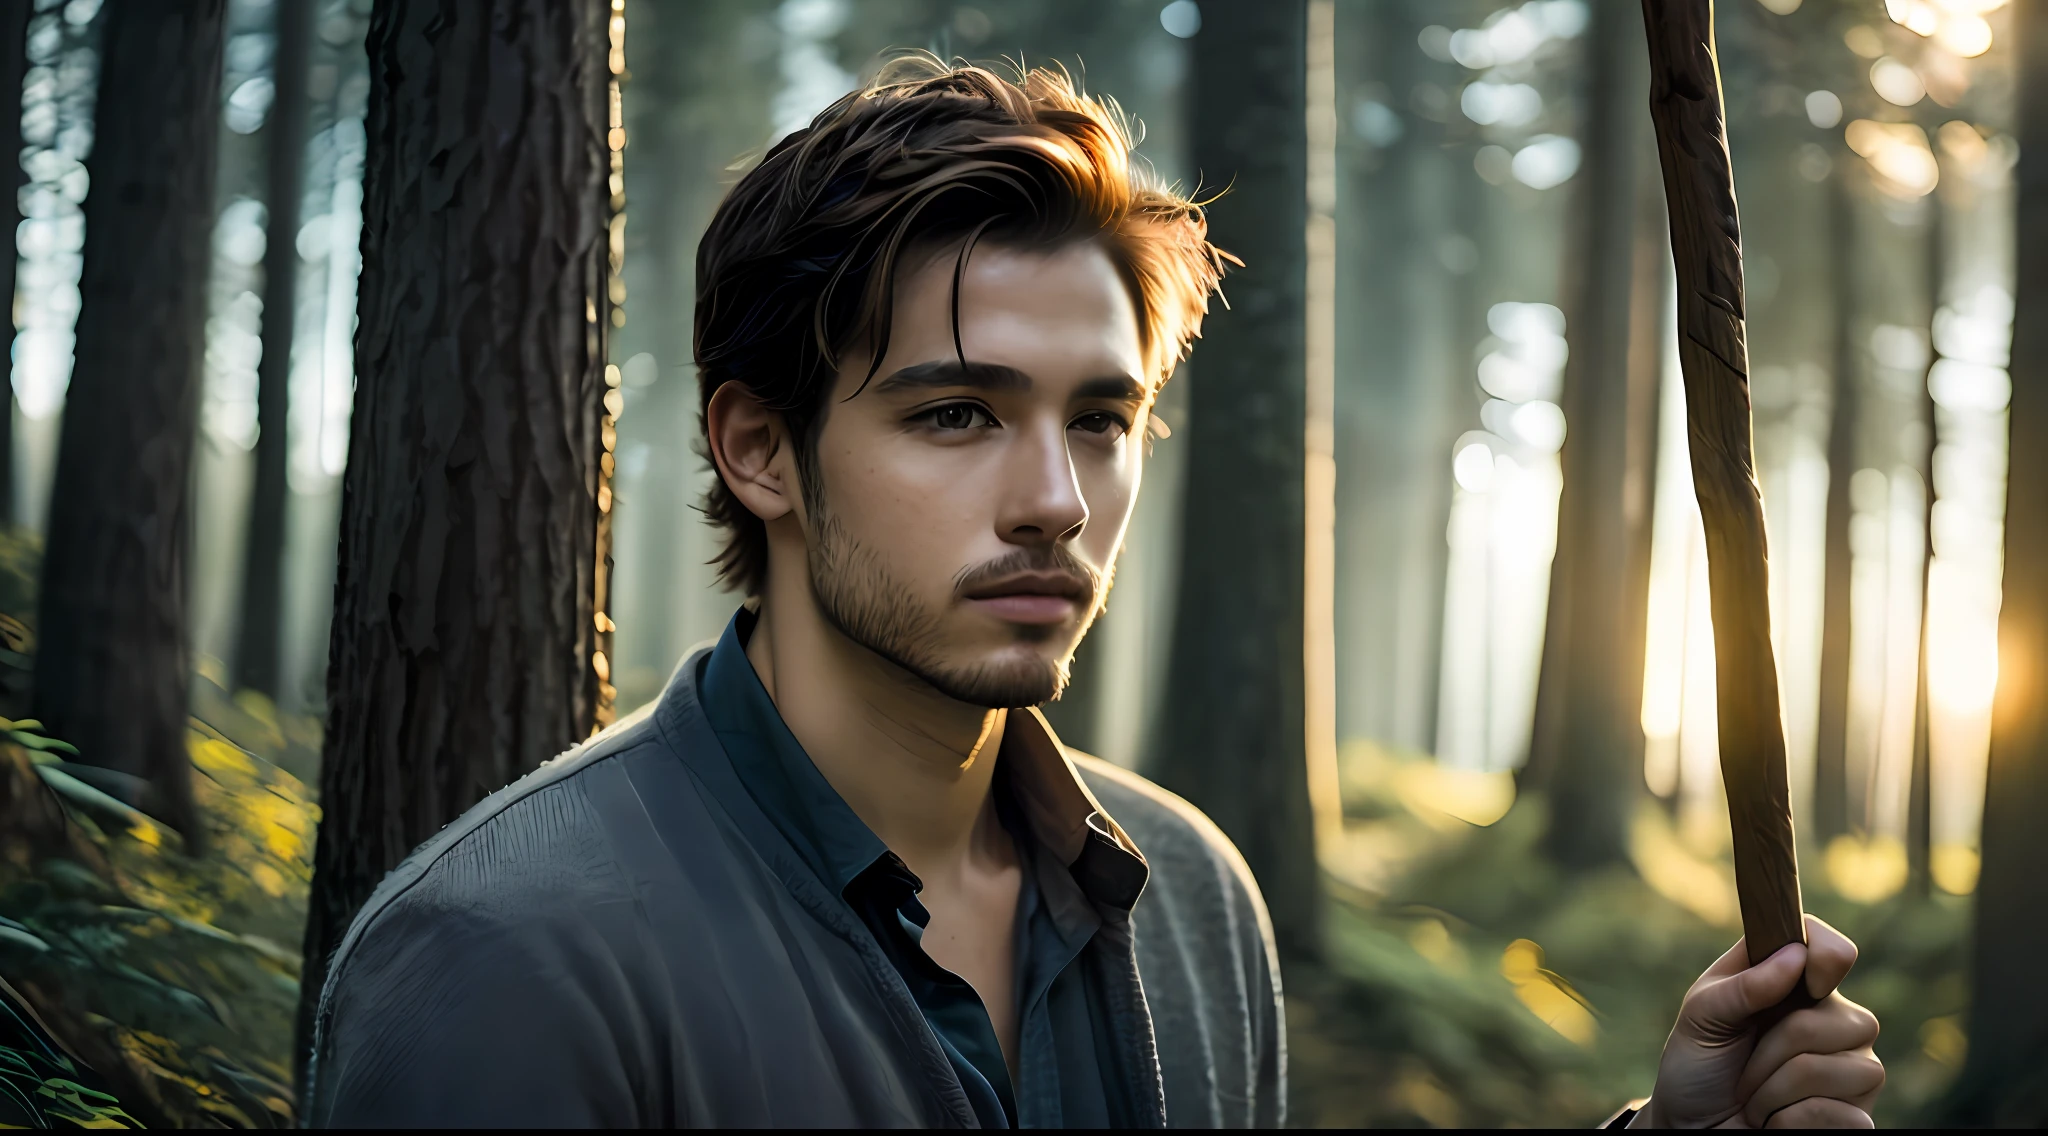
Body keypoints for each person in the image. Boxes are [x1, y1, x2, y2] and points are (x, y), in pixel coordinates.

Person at [305, 57, 1882, 1128]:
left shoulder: (1190, 899)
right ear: (762, 450)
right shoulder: (504, 963)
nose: (1056, 500)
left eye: (1101, 419)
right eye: (955, 414)